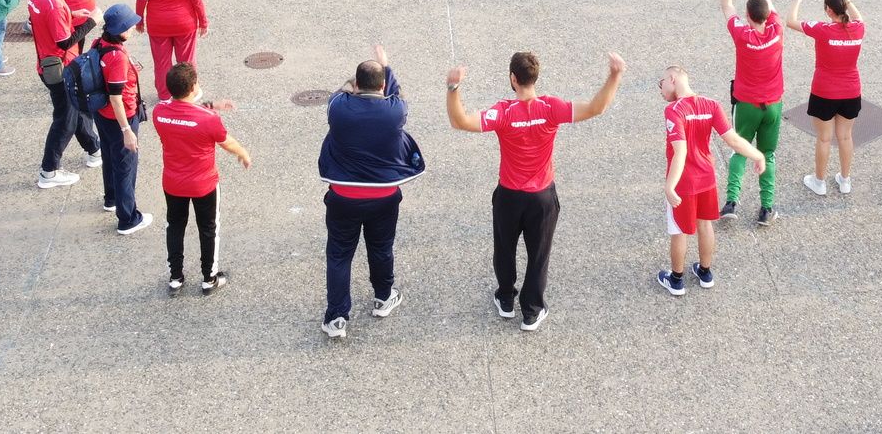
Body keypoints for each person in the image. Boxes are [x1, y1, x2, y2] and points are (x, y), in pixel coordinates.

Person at [443, 49, 626, 333]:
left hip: (509, 196)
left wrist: (453, 87)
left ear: (513, 79)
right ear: (535, 78)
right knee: (538, 255)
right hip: (542, 197)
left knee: (504, 249)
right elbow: (595, 108)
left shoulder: (503, 112)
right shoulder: (551, 107)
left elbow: (460, 121)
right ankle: (532, 311)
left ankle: (505, 298)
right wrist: (614, 75)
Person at [318, 45, 423, 338]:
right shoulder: (395, 111)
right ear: (382, 86)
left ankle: (337, 317)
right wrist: (386, 66)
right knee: (381, 248)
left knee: (339, 255)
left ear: (357, 84)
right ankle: (383, 297)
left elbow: (341, 90)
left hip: (343, 197)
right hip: (384, 197)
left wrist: (353, 83)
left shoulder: (338, 108)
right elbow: (397, 92)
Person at [656, 65, 765, 297]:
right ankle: (705, 273)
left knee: (679, 230)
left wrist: (670, 185)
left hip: (684, 182)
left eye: (661, 82)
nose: (660, 89)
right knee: (705, 225)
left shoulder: (674, 110)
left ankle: (676, 280)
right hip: (707, 178)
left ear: (673, 79)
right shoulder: (711, 105)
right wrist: (757, 155)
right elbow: (733, 140)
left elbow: (680, 151)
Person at [155, 61, 249, 297]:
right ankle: (209, 277)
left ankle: (175, 277)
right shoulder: (208, 119)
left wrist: (212, 105)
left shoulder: (159, 113)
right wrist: (243, 153)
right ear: (193, 86)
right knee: (208, 229)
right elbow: (226, 141)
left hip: (173, 182)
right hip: (203, 184)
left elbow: (181, 111)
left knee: (175, 226)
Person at [719, 0, 783, 225]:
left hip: (746, 104)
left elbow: (726, 5)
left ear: (747, 16)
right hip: (773, 105)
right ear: (767, 15)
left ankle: (731, 202)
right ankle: (766, 208)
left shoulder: (742, 35)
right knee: (767, 153)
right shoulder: (776, 30)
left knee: (740, 149)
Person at [27, 0, 97, 189]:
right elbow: (65, 42)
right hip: (61, 68)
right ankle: (49, 170)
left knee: (74, 111)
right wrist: (92, 21)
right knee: (65, 119)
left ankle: (94, 148)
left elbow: (45, 21)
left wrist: (71, 14)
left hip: (46, 63)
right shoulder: (55, 5)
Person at [787, 0, 865, 197]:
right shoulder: (858, 28)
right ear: (844, 7)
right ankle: (845, 180)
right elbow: (858, 17)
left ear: (828, 10)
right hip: (851, 91)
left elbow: (791, 21)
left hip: (824, 91)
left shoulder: (822, 30)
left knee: (824, 138)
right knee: (845, 137)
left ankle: (819, 182)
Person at [83, 2, 151, 236]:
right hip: (121, 117)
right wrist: (126, 130)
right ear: (120, 30)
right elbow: (116, 98)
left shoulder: (99, 43)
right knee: (126, 167)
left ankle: (111, 198)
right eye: (129, 26)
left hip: (101, 114)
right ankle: (128, 218)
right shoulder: (117, 57)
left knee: (110, 157)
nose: (132, 28)